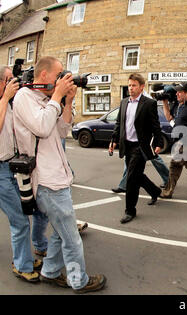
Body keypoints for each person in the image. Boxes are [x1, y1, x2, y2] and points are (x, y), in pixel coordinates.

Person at [13, 56, 106, 293]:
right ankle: (79, 280)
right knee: (71, 236)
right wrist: (56, 96)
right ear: (44, 76)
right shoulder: (25, 97)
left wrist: (67, 102)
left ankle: (50, 271)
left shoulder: (46, 98)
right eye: (58, 75)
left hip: (58, 178)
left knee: (61, 231)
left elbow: (63, 131)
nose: (61, 79)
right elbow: (42, 128)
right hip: (46, 181)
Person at [0, 65, 43, 283]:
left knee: (26, 213)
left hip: (12, 167)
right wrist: (5, 98)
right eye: (8, 80)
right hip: (0, 172)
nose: (13, 83)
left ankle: (24, 256)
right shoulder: (3, 103)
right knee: (19, 221)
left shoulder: (10, 103)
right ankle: (22, 266)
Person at [109, 73, 163, 224]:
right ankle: (155, 191)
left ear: (141, 87)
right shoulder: (124, 102)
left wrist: (158, 142)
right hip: (127, 145)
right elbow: (119, 124)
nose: (130, 88)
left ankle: (130, 211)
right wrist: (114, 139)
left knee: (132, 178)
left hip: (140, 146)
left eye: (134, 85)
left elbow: (155, 125)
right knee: (137, 175)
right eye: (129, 85)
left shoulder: (149, 103)